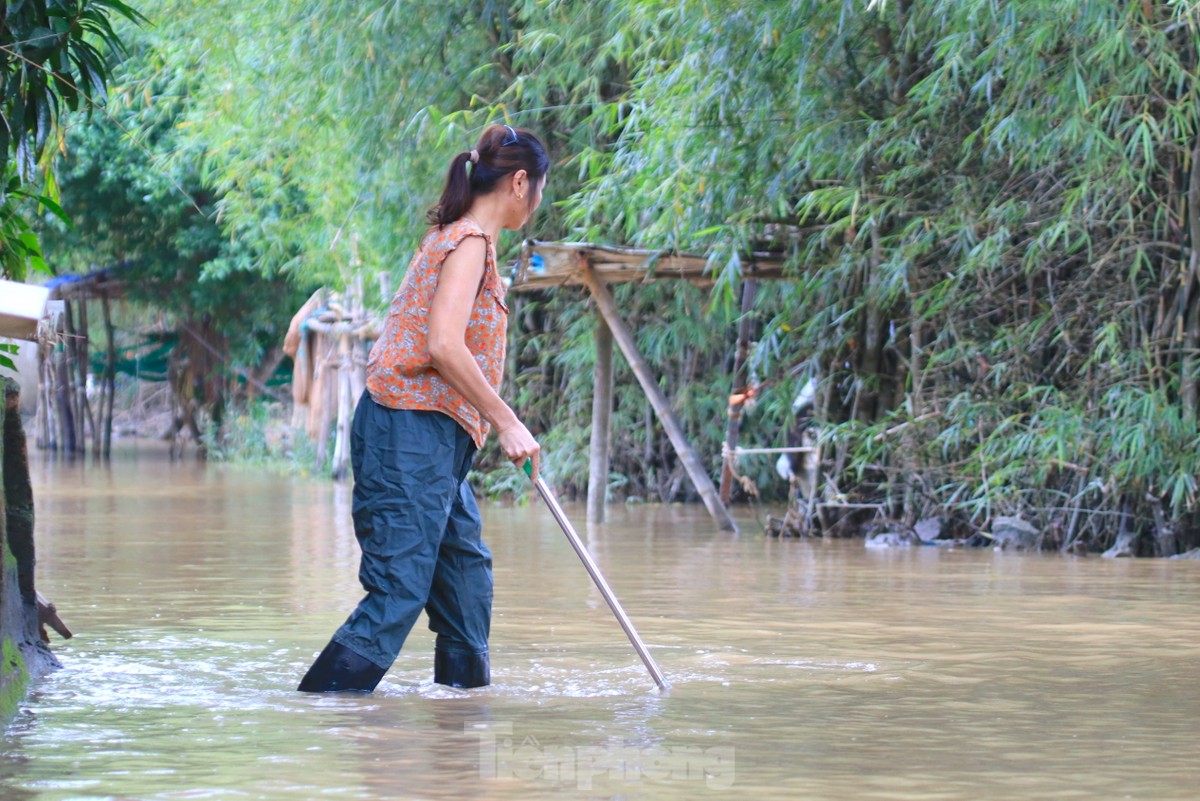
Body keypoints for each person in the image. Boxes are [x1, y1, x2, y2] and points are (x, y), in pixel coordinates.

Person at [298, 124, 548, 692]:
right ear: (518, 183)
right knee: (399, 590)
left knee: (466, 583)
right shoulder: (467, 244)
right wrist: (507, 421)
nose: (536, 203)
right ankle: (320, 714)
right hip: (407, 431)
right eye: (537, 190)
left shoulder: (466, 243)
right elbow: (442, 344)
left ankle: (459, 733)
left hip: (439, 440)